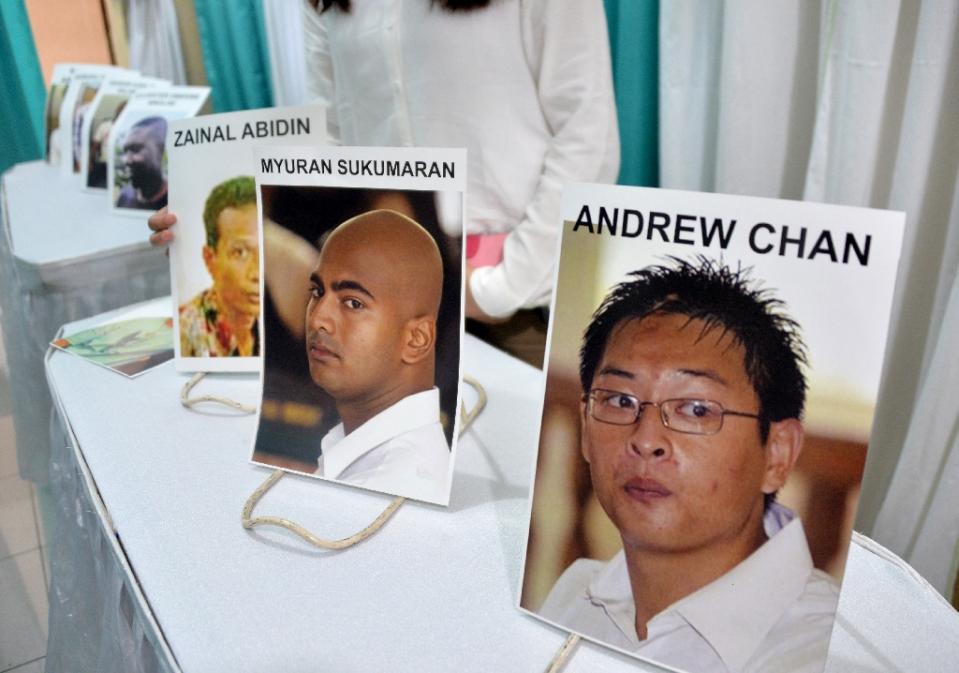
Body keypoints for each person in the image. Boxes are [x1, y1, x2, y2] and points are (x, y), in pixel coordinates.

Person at [539, 259, 838, 673]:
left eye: (696, 409)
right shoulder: (576, 595)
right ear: (586, 429)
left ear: (777, 453)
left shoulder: (824, 653)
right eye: (620, 400)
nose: (645, 440)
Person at [306, 209, 451, 504]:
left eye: (353, 303)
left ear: (417, 339)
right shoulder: (371, 459)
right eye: (317, 291)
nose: (318, 318)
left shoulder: (388, 488)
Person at [179, 176, 260, 358]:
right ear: (210, 259)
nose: (257, 273)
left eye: (264, 251)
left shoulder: (275, 323)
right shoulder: (184, 334)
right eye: (240, 252)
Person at [116, 116, 168, 210]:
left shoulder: (176, 200)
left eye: (136, 149)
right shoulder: (124, 197)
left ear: (161, 151)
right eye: (126, 151)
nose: (127, 160)